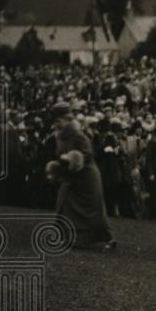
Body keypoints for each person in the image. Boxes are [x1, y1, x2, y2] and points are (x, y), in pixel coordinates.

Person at [49, 102, 116, 251]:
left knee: (90, 210)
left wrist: (71, 159)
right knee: (65, 203)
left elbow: (87, 154)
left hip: (87, 178)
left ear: (67, 120)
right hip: (72, 177)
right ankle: (70, 237)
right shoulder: (60, 136)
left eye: (59, 120)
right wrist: (58, 166)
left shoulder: (78, 135)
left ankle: (101, 239)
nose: (56, 123)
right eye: (55, 120)